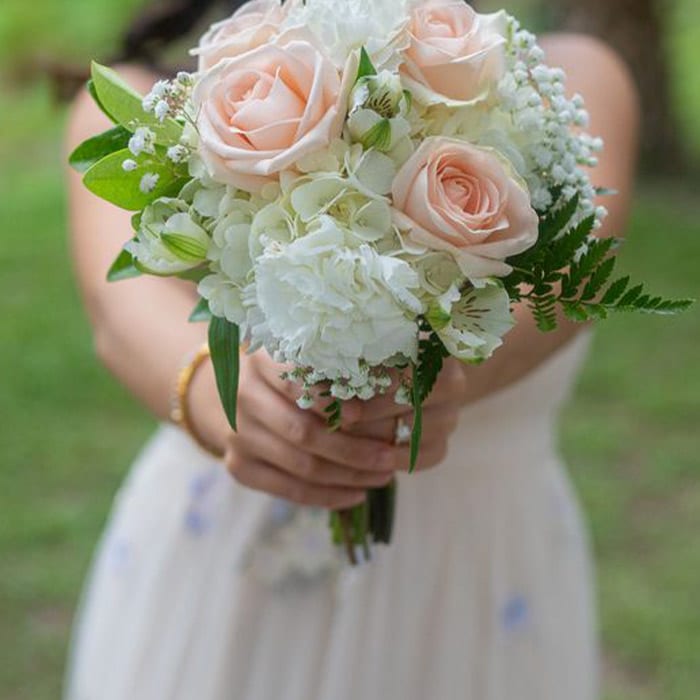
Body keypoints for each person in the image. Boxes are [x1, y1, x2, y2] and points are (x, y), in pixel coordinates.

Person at [63, 1, 640, 698]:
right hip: (218, 555)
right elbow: (123, 316)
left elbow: (565, 279)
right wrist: (226, 404)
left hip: (472, 576)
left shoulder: (572, 82)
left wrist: (432, 380)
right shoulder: (148, 109)